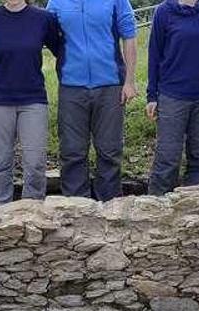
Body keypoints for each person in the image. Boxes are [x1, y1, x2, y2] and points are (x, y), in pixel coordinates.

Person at [0, 0, 63, 206]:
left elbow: (62, 51)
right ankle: (1, 212)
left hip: (33, 99)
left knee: (35, 162)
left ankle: (32, 210)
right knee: (0, 163)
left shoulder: (43, 18)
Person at [47, 0, 138, 202]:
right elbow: (50, 36)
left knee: (109, 151)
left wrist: (129, 81)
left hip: (110, 84)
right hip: (71, 86)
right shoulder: (56, 3)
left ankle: (110, 204)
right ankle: (75, 206)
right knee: (72, 151)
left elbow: (129, 36)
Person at [145, 0, 199, 196]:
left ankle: (193, 209)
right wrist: (152, 95)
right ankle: (155, 208)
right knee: (168, 158)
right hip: (173, 95)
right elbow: (154, 55)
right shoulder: (164, 12)